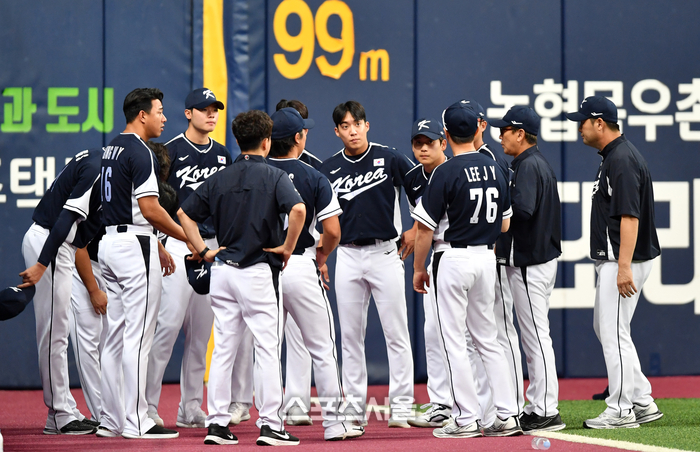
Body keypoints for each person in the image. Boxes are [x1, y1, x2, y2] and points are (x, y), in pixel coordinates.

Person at [178, 110, 306, 446]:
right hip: (257, 271)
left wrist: (203, 250)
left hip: (223, 272)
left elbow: (183, 213)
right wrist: (288, 247)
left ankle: (217, 425)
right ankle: (271, 424)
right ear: (267, 142)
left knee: (223, 349)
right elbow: (298, 209)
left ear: (237, 140)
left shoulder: (220, 177)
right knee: (266, 348)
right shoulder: (275, 175)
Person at [144, 88, 255, 429]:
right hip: (178, 245)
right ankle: (147, 406)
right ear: (188, 113)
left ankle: (190, 406)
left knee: (201, 335)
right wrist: (159, 241)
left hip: (212, 247)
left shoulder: (223, 154)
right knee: (167, 327)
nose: (211, 114)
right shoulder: (171, 150)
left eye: (215, 109)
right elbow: (154, 203)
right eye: (204, 109)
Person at [412, 101, 520, 438]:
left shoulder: (445, 171)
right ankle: (507, 415)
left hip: (453, 257)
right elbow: (505, 225)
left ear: (445, 135)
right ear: (478, 129)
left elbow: (425, 230)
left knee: (454, 341)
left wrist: (418, 268)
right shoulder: (495, 167)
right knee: (488, 339)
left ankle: (466, 418)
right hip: (486, 258)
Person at [565, 96, 663, 429]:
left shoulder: (621, 158)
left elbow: (629, 217)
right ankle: (641, 399)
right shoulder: (614, 155)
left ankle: (621, 409)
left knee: (613, 331)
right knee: (606, 328)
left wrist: (623, 266)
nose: (579, 127)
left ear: (599, 123)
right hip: (621, 257)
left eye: (582, 121)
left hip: (624, 258)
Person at [267, 107, 363, 440]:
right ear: (298, 137)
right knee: (322, 348)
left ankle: (270, 423)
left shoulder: (253, 171)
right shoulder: (312, 175)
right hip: (300, 263)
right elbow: (333, 231)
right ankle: (335, 423)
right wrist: (322, 255)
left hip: (261, 269)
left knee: (267, 349)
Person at [97, 87, 187, 439]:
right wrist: (188, 238)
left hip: (110, 242)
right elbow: (150, 209)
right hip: (134, 245)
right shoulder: (141, 151)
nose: (164, 118)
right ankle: (137, 420)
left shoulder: (112, 146)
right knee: (138, 337)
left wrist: (158, 243)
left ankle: (111, 420)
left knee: (115, 337)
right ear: (142, 115)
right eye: (159, 111)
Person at [319, 101, 415, 427]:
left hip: (385, 253)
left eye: (357, 124)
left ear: (367, 125)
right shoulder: (328, 169)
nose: (353, 131)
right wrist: (321, 254)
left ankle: (401, 407)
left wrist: (417, 227)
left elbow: (423, 192)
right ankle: (354, 408)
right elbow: (319, 218)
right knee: (349, 336)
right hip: (347, 255)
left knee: (396, 333)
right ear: (337, 131)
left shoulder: (390, 158)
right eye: (345, 126)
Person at [489, 106, 565, 432]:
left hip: (530, 262)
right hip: (535, 260)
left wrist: (491, 210)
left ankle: (545, 409)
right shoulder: (530, 162)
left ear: (520, 133)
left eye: (505, 130)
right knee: (535, 336)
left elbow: (522, 209)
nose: (500, 135)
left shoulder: (529, 165)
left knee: (535, 337)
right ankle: (541, 406)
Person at [19, 148, 105, 435]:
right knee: (54, 335)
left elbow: (78, 236)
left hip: (57, 245)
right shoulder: (99, 168)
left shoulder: (99, 159)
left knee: (58, 333)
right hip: (51, 243)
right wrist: (42, 263)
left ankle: (64, 409)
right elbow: (65, 218)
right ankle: (59, 414)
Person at [401, 118, 452, 428]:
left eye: (429, 143)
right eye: (417, 143)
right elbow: (421, 226)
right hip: (439, 256)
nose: (423, 148)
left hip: (463, 252)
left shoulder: (457, 170)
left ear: (443, 143)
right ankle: (442, 403)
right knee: (433, 332)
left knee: (468, 336)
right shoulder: (412, 178)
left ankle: (479, 405)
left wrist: (418, 267)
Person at [274, 99, 318, 426]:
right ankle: (266, 405)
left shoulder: (314, 166)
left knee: (297, 336)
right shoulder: (310, 169)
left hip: (293, 256)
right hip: (289, 258)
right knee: (267, 338)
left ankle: (294, 404)